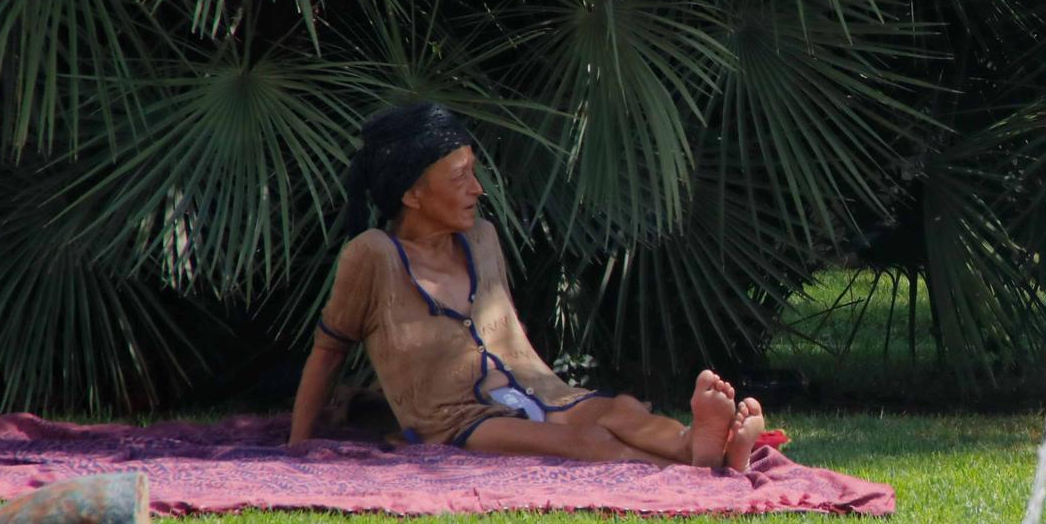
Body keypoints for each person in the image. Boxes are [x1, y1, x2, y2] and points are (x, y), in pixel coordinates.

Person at [288, 102, 766, 469]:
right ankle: (703, 470)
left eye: (473, 172)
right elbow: (329, 351)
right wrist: (298, 448)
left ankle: (692, 445)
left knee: (620, 411)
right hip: (464, 421)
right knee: (586, 445)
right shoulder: (374, 256)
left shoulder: (482, 239)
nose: (478, 188)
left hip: (541, 393)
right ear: (412, 194)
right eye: (460, 177)